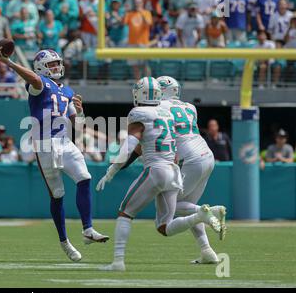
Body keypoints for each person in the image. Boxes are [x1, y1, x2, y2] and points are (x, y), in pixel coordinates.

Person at [0, 47, 108, 262]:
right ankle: (64, 241)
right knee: (57, 195)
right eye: (51, 64)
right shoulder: (39, 84)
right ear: (40, 68)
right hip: (45, 145)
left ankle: (88, 229)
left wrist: (81, 111)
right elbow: (33, 79)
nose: (56, 67)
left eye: (57, 63)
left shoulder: (67, 91)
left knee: (85, 178)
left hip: (65, 142)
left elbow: (80, 127)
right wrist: (9, 62)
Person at [95, 77, 222, 271]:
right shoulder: (185, 109)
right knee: (173, 218)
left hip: (170, 164)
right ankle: (206, 246)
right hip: (197, 158)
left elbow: (134, 146)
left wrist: (113, 169)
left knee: (128, 212)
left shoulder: (148, 111)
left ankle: (118, 262)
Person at [157, 76, 226, 262]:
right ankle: (207, 251)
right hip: (206, 154)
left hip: (191, 158)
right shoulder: (190, 107)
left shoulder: (159, 107)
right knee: (191, 210)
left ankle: (211, 212)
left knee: (170, 207)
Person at [123, 0, 152, 80]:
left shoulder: (147, 13)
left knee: (145, 64)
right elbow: (123, 23)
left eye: (138, 2)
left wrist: (141, 13)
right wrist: (125, 11)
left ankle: (149, 83)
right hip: (132, 43)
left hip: (143, 43)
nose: (137, 4)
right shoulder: (130, 14)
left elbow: (148, 23)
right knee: (135, 66)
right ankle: (139, 84)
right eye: (135, 2)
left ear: (142, 3)